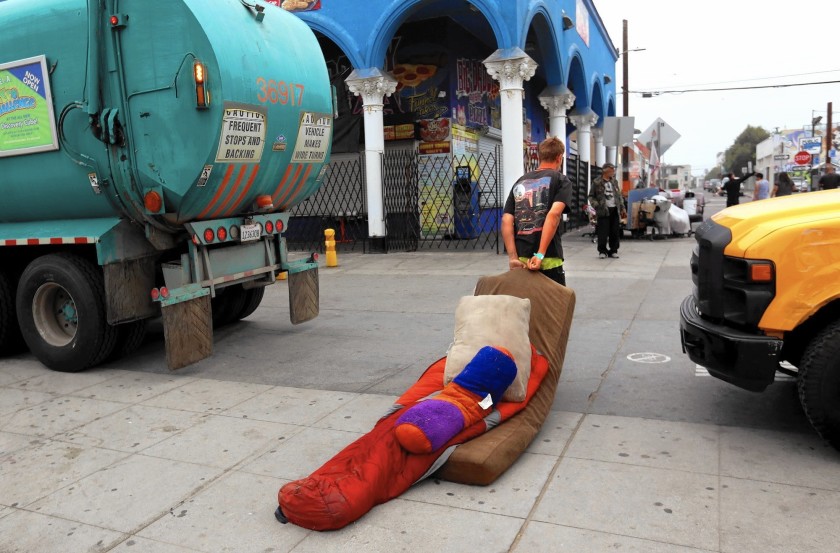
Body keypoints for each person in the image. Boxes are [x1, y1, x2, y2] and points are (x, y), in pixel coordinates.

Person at [502, 136, 571, 286]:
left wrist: (512, 257)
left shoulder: (521, 181)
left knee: (525, 305)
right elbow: (554, 215)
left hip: (522, 259)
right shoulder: (561, 180)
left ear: (540, 157)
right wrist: (540, 254)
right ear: (559, 158)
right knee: (554, 306)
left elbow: (506, 220)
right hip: (548, 257)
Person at [588, 162, 626, 259]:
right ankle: (602, 251)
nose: (613, 172)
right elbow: (591, 196)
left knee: (615, 232)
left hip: (614, 210)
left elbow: (619, 196)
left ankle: (613, 250)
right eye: (611, 170)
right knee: (603, 232)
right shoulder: (597, 182)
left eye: (613, 170)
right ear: (605, 171)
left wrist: (622, 208)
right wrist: (596, 205)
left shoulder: (614, 182)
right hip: (603, 210)